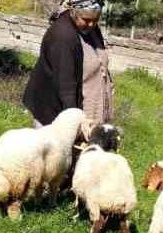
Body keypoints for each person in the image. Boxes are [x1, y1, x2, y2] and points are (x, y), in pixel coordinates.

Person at [23, 0, 113, 136]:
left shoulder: (90, 28)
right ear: (73, 12)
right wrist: (73, 123)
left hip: (87, 105)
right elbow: (66, 86)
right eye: (86, 20)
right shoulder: (63, 37)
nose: (91, 24)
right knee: (55, 153)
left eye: (95, 20)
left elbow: (99, 60)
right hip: (54, 110)